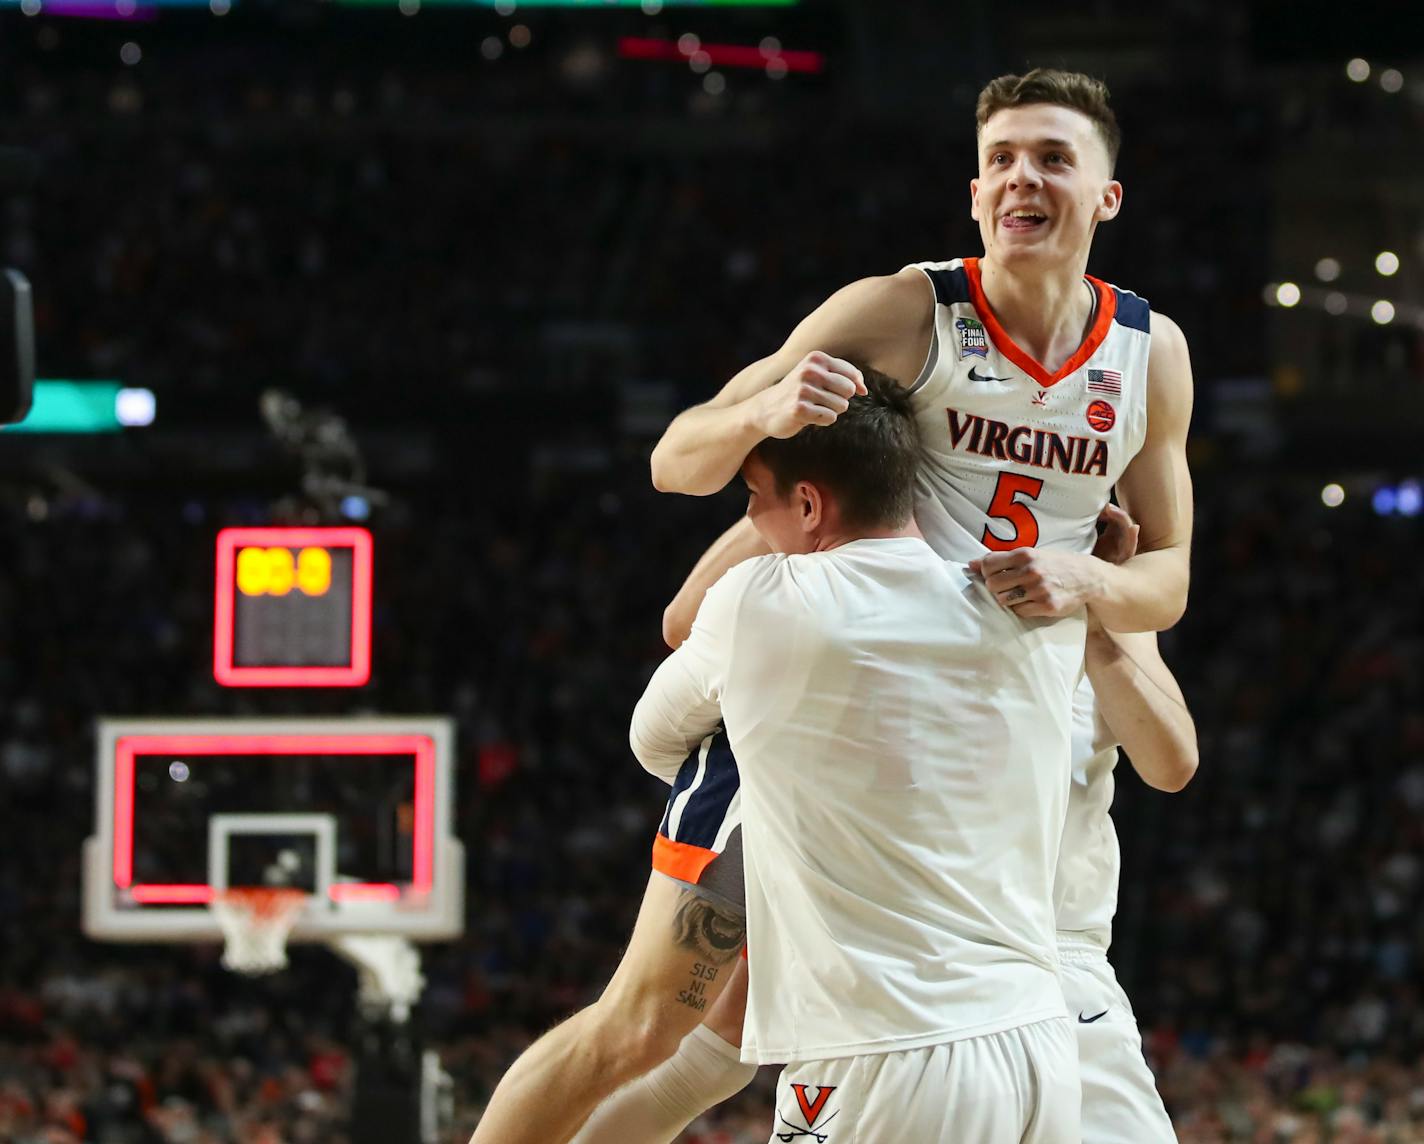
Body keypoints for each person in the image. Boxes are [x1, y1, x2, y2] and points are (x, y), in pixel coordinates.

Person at [629, 374, 1084, 1141]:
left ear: (808, 506)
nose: (748, 517)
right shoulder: (1035, 605)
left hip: (883, 1051)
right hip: (1040, 1046)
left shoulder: (759, 598)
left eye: (754, 498)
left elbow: (654, 739)